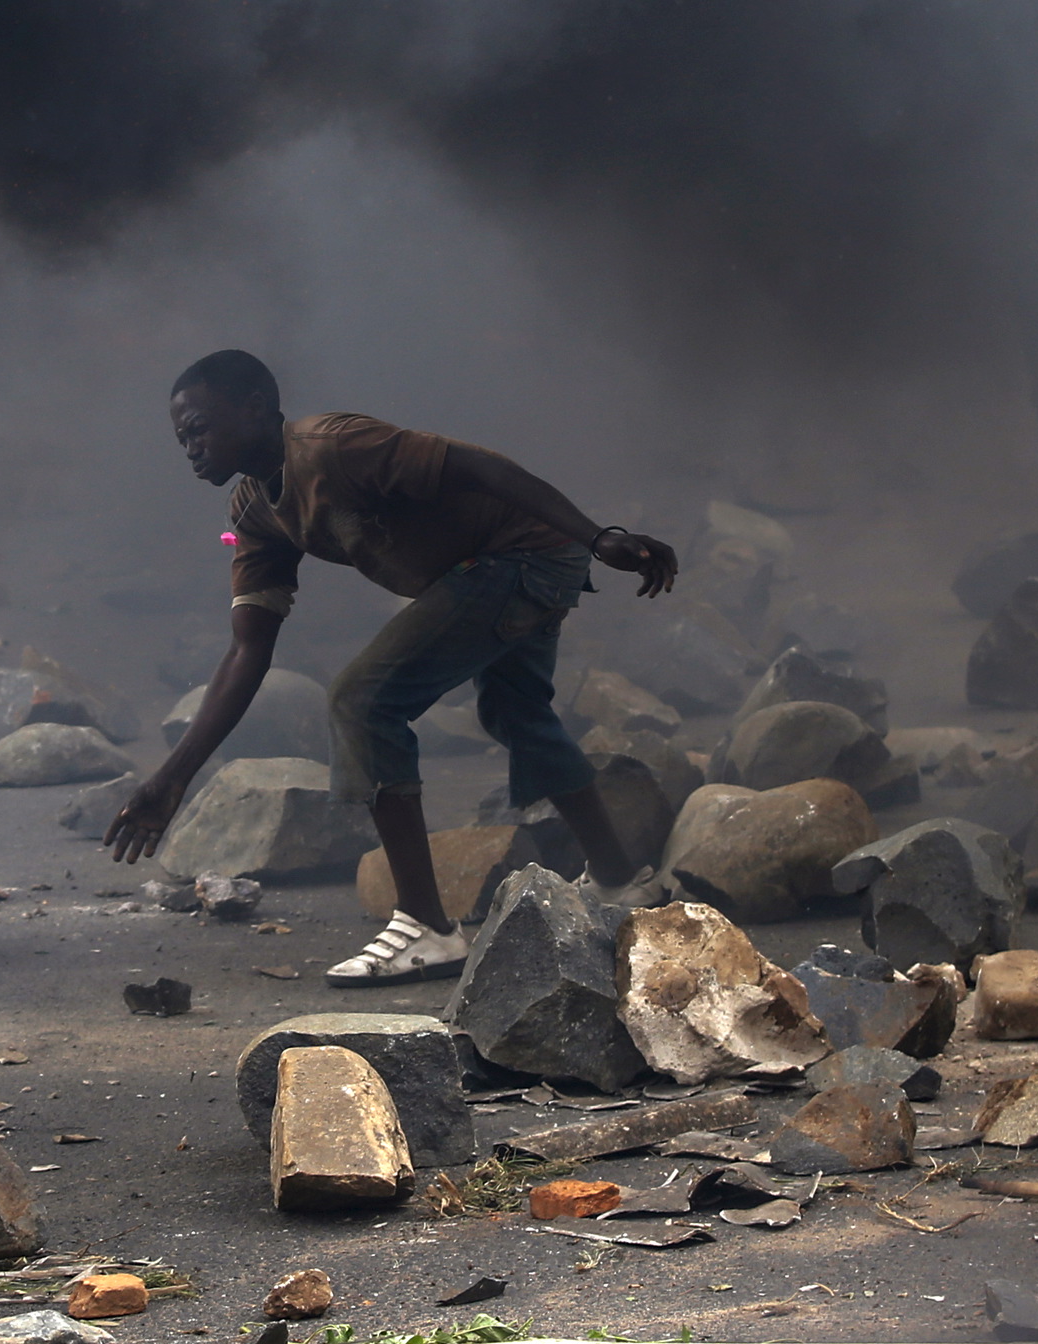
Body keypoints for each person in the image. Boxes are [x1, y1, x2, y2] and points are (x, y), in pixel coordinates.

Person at [104, 350, 680, 985]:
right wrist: (172, 778)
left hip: (526, 554)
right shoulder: (252, 511)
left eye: (199, 428)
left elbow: (480, 466)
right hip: (493, 567)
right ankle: (620, 881)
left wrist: (598, 536)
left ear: (256, 409)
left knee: (362, 700)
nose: (189, 447)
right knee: (513, 709)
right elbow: (249, 648)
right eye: (181, 436)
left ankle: (426, 927)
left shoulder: (333, 446)